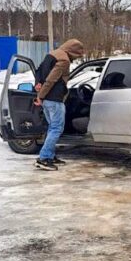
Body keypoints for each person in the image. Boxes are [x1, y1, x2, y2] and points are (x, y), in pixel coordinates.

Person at [34, 39, 85, 171]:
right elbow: (52, 79)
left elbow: (39, 71)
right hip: (54, 99)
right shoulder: (64, 60)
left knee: (52, 128)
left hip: (47, 99)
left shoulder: (51, 54)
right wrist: (40, 96)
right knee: (56, 129)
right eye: (77, 55)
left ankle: (50, 156)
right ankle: (44, 158)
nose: (76, 58)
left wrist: (38, 85)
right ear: (72, 51)